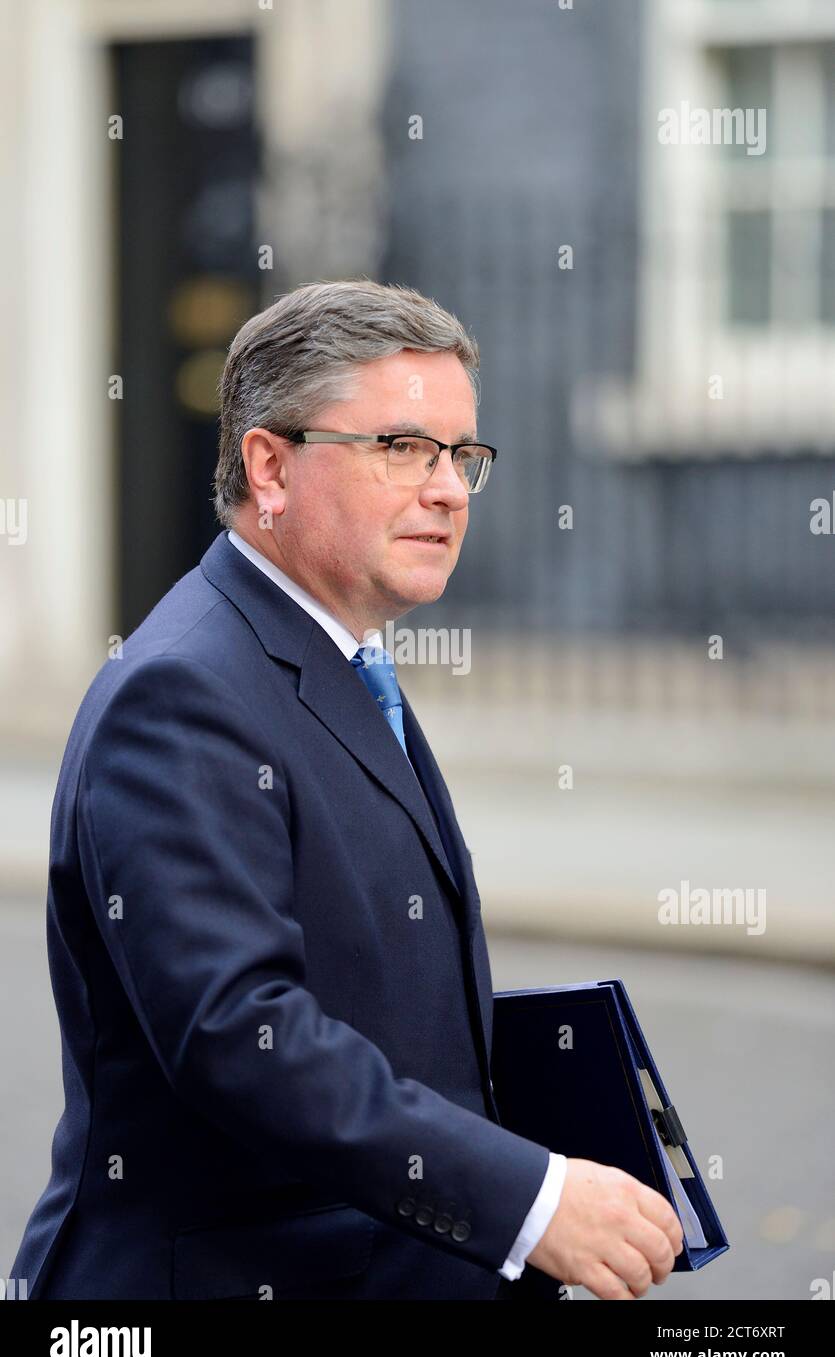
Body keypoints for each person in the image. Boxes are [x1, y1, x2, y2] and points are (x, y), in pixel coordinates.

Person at [10, 279, 683, 1300]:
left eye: (462, 455)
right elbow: (243, 1034)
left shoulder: (336, 655)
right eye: (401, 447)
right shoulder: (184, 691)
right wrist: (530, 1199)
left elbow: (367, 985)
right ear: (269, 466)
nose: (448, 487)